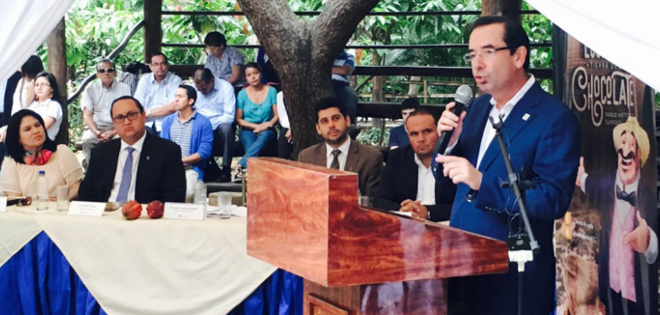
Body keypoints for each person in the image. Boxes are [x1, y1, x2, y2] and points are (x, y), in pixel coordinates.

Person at [433, 16, 580, 314]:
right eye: (472, 54)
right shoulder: (475, 109)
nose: (477, 63)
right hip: (460, 263)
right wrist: (449, 144)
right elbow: (446, 184)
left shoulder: (553, 117)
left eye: (488, 51)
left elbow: (551, 200)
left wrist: (480, 182)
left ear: (518, 56)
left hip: (512, 272)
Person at [577, 116, 658, 314]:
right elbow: (590, 185)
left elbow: (656, 243)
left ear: (639, 155)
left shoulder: (648, 196)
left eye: (632, 144)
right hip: (608, 290)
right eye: (623, 142)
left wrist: (648, 240)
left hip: (638, 297)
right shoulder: (606, 185)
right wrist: (581, 178)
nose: (626, 149)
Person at [77, 96, 186, 203]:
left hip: (146, 216)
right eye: (119, 117)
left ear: (143, 115)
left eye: (132, 115)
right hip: (106, 214)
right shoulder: (102, 152)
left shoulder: (167, 151)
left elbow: (175, 196)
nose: (127, 122)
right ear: (114, 123)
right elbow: (86, 192)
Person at [374, 110, 455, 221]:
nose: (421, 139)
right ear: (408, 136)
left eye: (427, 131)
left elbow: (465, 206)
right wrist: (403, 210)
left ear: (439, 131)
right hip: (407, 225)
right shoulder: (397, 158)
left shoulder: (455, 158)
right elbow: (380, 200)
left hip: (445, 225)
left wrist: (428, 212)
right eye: (414, 134)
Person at [298, 97, 383, 197]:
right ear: (318, 129)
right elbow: (301, 197)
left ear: (347, 121)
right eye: (324, 121)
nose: (331, 125)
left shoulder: (370, 158)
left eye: (336, 118)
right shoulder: (307, 157)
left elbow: (373, 203)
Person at [0, 110, 83, 200]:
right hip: (25, 212)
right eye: (27, 129)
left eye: (37, 125)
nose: (36, 131)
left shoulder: (61, 151)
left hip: (61, 210)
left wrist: (59, 202)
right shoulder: (11, 161)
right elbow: (13, 198)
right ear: (18, 138)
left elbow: (76, 188)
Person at [161, 85, 214, 203]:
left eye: (180, 96)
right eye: (175, 96)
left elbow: (205, 151)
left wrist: (181, 160)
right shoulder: (168, 121)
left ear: (190, 101)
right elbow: (161, 148)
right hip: (169, 168)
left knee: (188, 192)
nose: (176, 99)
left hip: (191, 168)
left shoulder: (203, 122)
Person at [80, 59, 131, 165]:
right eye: (102, 70)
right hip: (97, 129)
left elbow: (127, 113)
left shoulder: (124, 88)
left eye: (110, 70)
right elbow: (87, 114)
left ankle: (117, 172)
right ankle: (92, 172)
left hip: (118, 128)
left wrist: (114, 132)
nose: (106, 73)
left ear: (115, 73)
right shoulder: (90, 89)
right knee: (87, 140)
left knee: (123, 140)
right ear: (97, 74)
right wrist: (97, 132)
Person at [192, 68, 236, 181]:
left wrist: (208, 126)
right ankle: (205, 167)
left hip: (219, 125)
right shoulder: (194, 89)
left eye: (204, 88)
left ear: (212, 81)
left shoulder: (226, 88)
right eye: (199, 89)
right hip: (200, 125)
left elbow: (229, 116)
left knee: (227, 129)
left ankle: (226, 169)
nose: (201, 91)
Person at [235, 63, 278, 174]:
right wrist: (257, 126)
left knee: (265, 135)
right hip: (248, 129)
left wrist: (266, 125)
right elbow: (238, 119)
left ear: (261, 74)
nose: (253, 77)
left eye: (255, 73)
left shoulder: (271, 90)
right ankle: (256, 176)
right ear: (246, 78)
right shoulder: (242, 94)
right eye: (249, 75)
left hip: (268, 129)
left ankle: (241, 165)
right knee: (251, 146)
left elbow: (277, 115)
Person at [134, 52, 182, 133]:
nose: (160, 67)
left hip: (168, 124)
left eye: (162, 64)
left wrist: (148, 113)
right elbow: (137, 104)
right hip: (146, 124)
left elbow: (174, 106)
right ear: (150, 67)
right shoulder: (145, 80)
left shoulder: (175, 80)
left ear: (167, 65)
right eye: (156, 64)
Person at [25, 72, 63, 141]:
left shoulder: (54, 106)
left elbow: (40, 128)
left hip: (44, 146)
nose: (39, 87)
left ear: (52, 88)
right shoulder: (33, 105)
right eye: (37, 85)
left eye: (44, 85)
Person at [331, 51, 358, 124]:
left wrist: (326, 69)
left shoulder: (349, 56)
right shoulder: (323, 55)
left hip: (341, 84)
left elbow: (345, 70)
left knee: (351, 96)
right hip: (325, 82)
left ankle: (348, 123)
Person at [276, 91, 293, 160]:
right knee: (283, 136)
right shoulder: (281, 95)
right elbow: (283, 118)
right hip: (288, 126)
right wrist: (292, 128)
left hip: (308, 125)